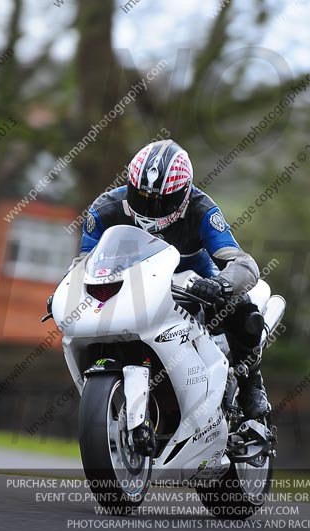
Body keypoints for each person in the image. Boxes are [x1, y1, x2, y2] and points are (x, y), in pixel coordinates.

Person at [69, 139, 270, 419]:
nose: (151, 209)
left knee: (242, 308)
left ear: (185, 192)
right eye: (142, 198)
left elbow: (242, 263)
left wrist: (220, 285)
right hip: (133, 289)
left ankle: (252, 383)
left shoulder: (203, 210)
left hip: (193, 284)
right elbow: (83, 265)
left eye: (164, 201)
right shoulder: (104, 210)